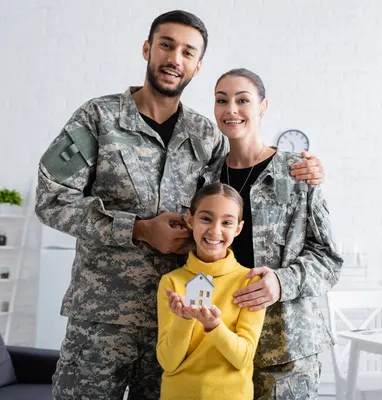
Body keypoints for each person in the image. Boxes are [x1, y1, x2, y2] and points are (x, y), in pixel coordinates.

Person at [34, 10, 323, 400]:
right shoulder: (97, 119)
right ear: (147, 49)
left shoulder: (206, 135)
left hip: (178, 323)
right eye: (166, 46)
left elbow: (242, 182)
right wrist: (136, 228)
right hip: (102, 320)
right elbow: (51, 199)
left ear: (197, 66)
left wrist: (300, 168)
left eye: (188, 52)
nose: (175, 59)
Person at [196, 68, 343, 400]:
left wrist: (281, 282)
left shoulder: (297, 172)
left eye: (242, 100)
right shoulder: (205, 180)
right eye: (222, 100)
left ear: (262, 107)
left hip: (286, 348)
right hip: (220, 342)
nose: (231, 109)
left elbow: (329, 259)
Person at [157, 182, 266, 400]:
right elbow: (168, 361)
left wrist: (213, 326)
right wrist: (184, 319)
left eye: (226, 222)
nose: (215, 230)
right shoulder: (172, 282)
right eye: (206, 218)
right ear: (190, 220)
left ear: (238, 229)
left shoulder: (250, 282)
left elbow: (242, 358)